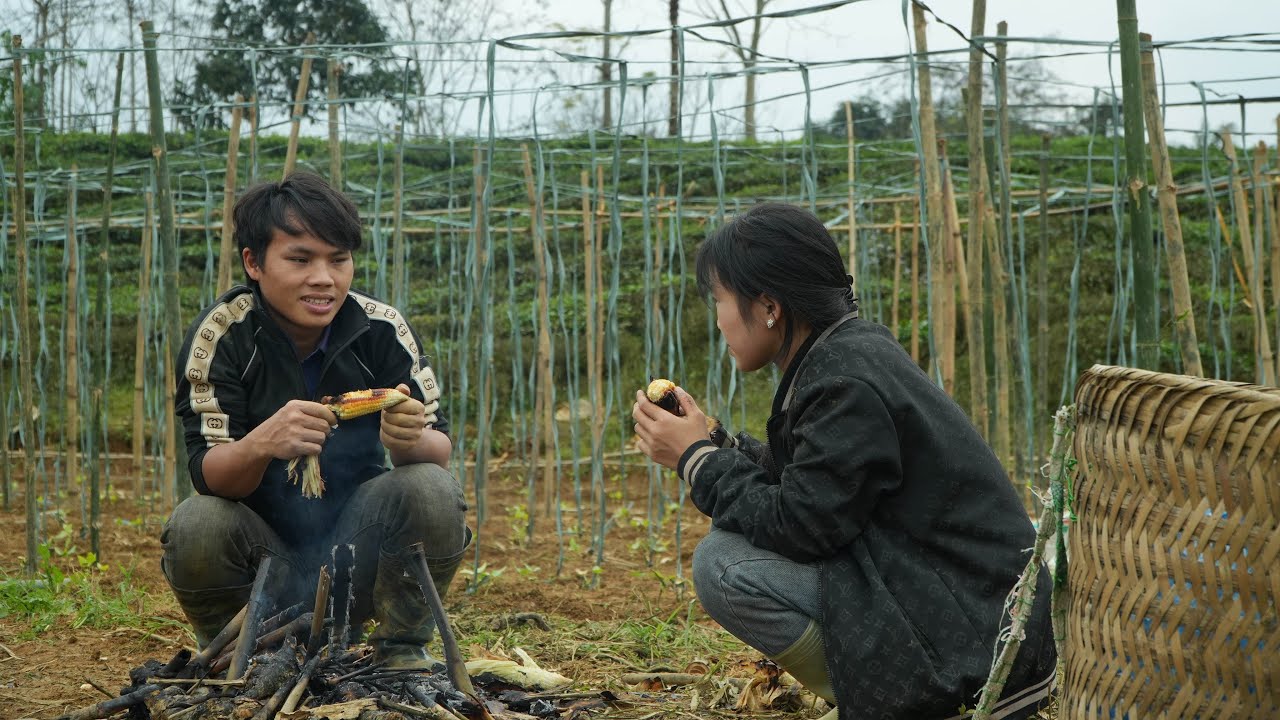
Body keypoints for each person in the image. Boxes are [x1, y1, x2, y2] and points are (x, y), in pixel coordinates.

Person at [631, 203, 1056, 719]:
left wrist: (696, 460)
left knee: (723, 567)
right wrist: (717, 443)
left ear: (768, 306)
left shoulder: (843, 382)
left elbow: (803, 526)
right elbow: (816, 485)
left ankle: (914, 703)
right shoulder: (843, 356)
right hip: (962, 598)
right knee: (729, 552)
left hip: (982, 633)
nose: (718, 320)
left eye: (719, 300)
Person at [165, 171, 469, 668]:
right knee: (196, 523)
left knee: (432, 487)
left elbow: (438, 450)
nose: (324, 278)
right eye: (300, 259)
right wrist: (262, 442)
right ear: (254, 263)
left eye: (338, 259)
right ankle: (235, 653)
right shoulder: (224, 335)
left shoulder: (381, 330)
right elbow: (209, 474)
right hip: (265, 564)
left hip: (361, 556)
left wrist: (408, 439)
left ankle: (400, 651)